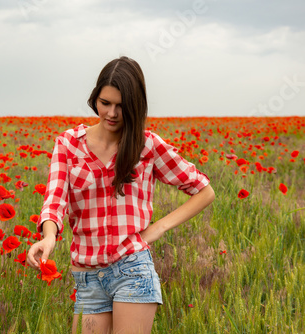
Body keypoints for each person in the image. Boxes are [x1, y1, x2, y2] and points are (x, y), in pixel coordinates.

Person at [26, 56, 215, 334]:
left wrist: (159, 228)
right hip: (87, 277)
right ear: (95, 99)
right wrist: (49, 236)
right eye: (105, 103)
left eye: (121, 106)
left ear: (135, 106)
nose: (112, 113)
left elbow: (204, 191)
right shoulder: (68, 144)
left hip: (132, 269)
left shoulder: (146, 145)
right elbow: (55, 200)